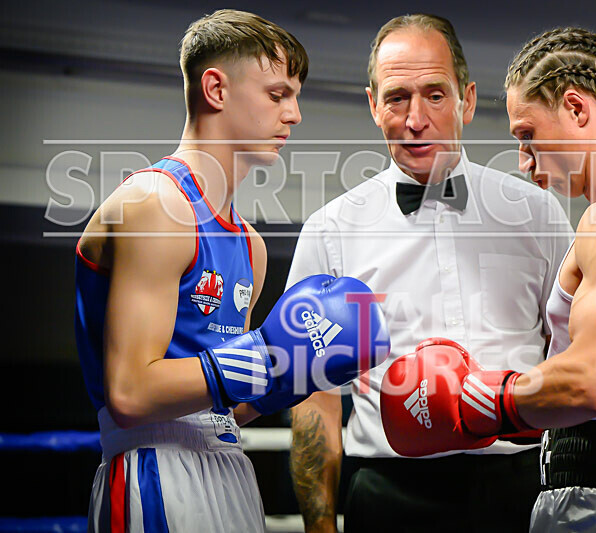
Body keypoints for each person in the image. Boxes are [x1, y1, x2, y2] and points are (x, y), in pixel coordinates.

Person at [380, 27, 596, 531]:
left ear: (577, 110)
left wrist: (476, 401)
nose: (525, 162)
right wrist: (526, 412)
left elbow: (591, 382)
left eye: (527, 136)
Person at [75, 10, 389, 532]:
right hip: (152, 469)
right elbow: (129, 393)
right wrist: (267, 357)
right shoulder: (154, 204)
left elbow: (219, 406)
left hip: (228, 469)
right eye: (277, 94)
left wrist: (289, 377)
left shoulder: (250, 246)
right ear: (216, 89)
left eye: (295, 96)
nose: (295, 114)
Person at [287, 14, 572, 533]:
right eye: (397, 97)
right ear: (373, 104)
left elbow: (573, 355)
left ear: (466, 99)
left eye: (435, 95)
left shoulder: (537, 213)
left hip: (520, 483)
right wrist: (320, 525)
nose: (416, 117)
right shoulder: (331, 230)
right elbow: (315, 396)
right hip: (388, 491)